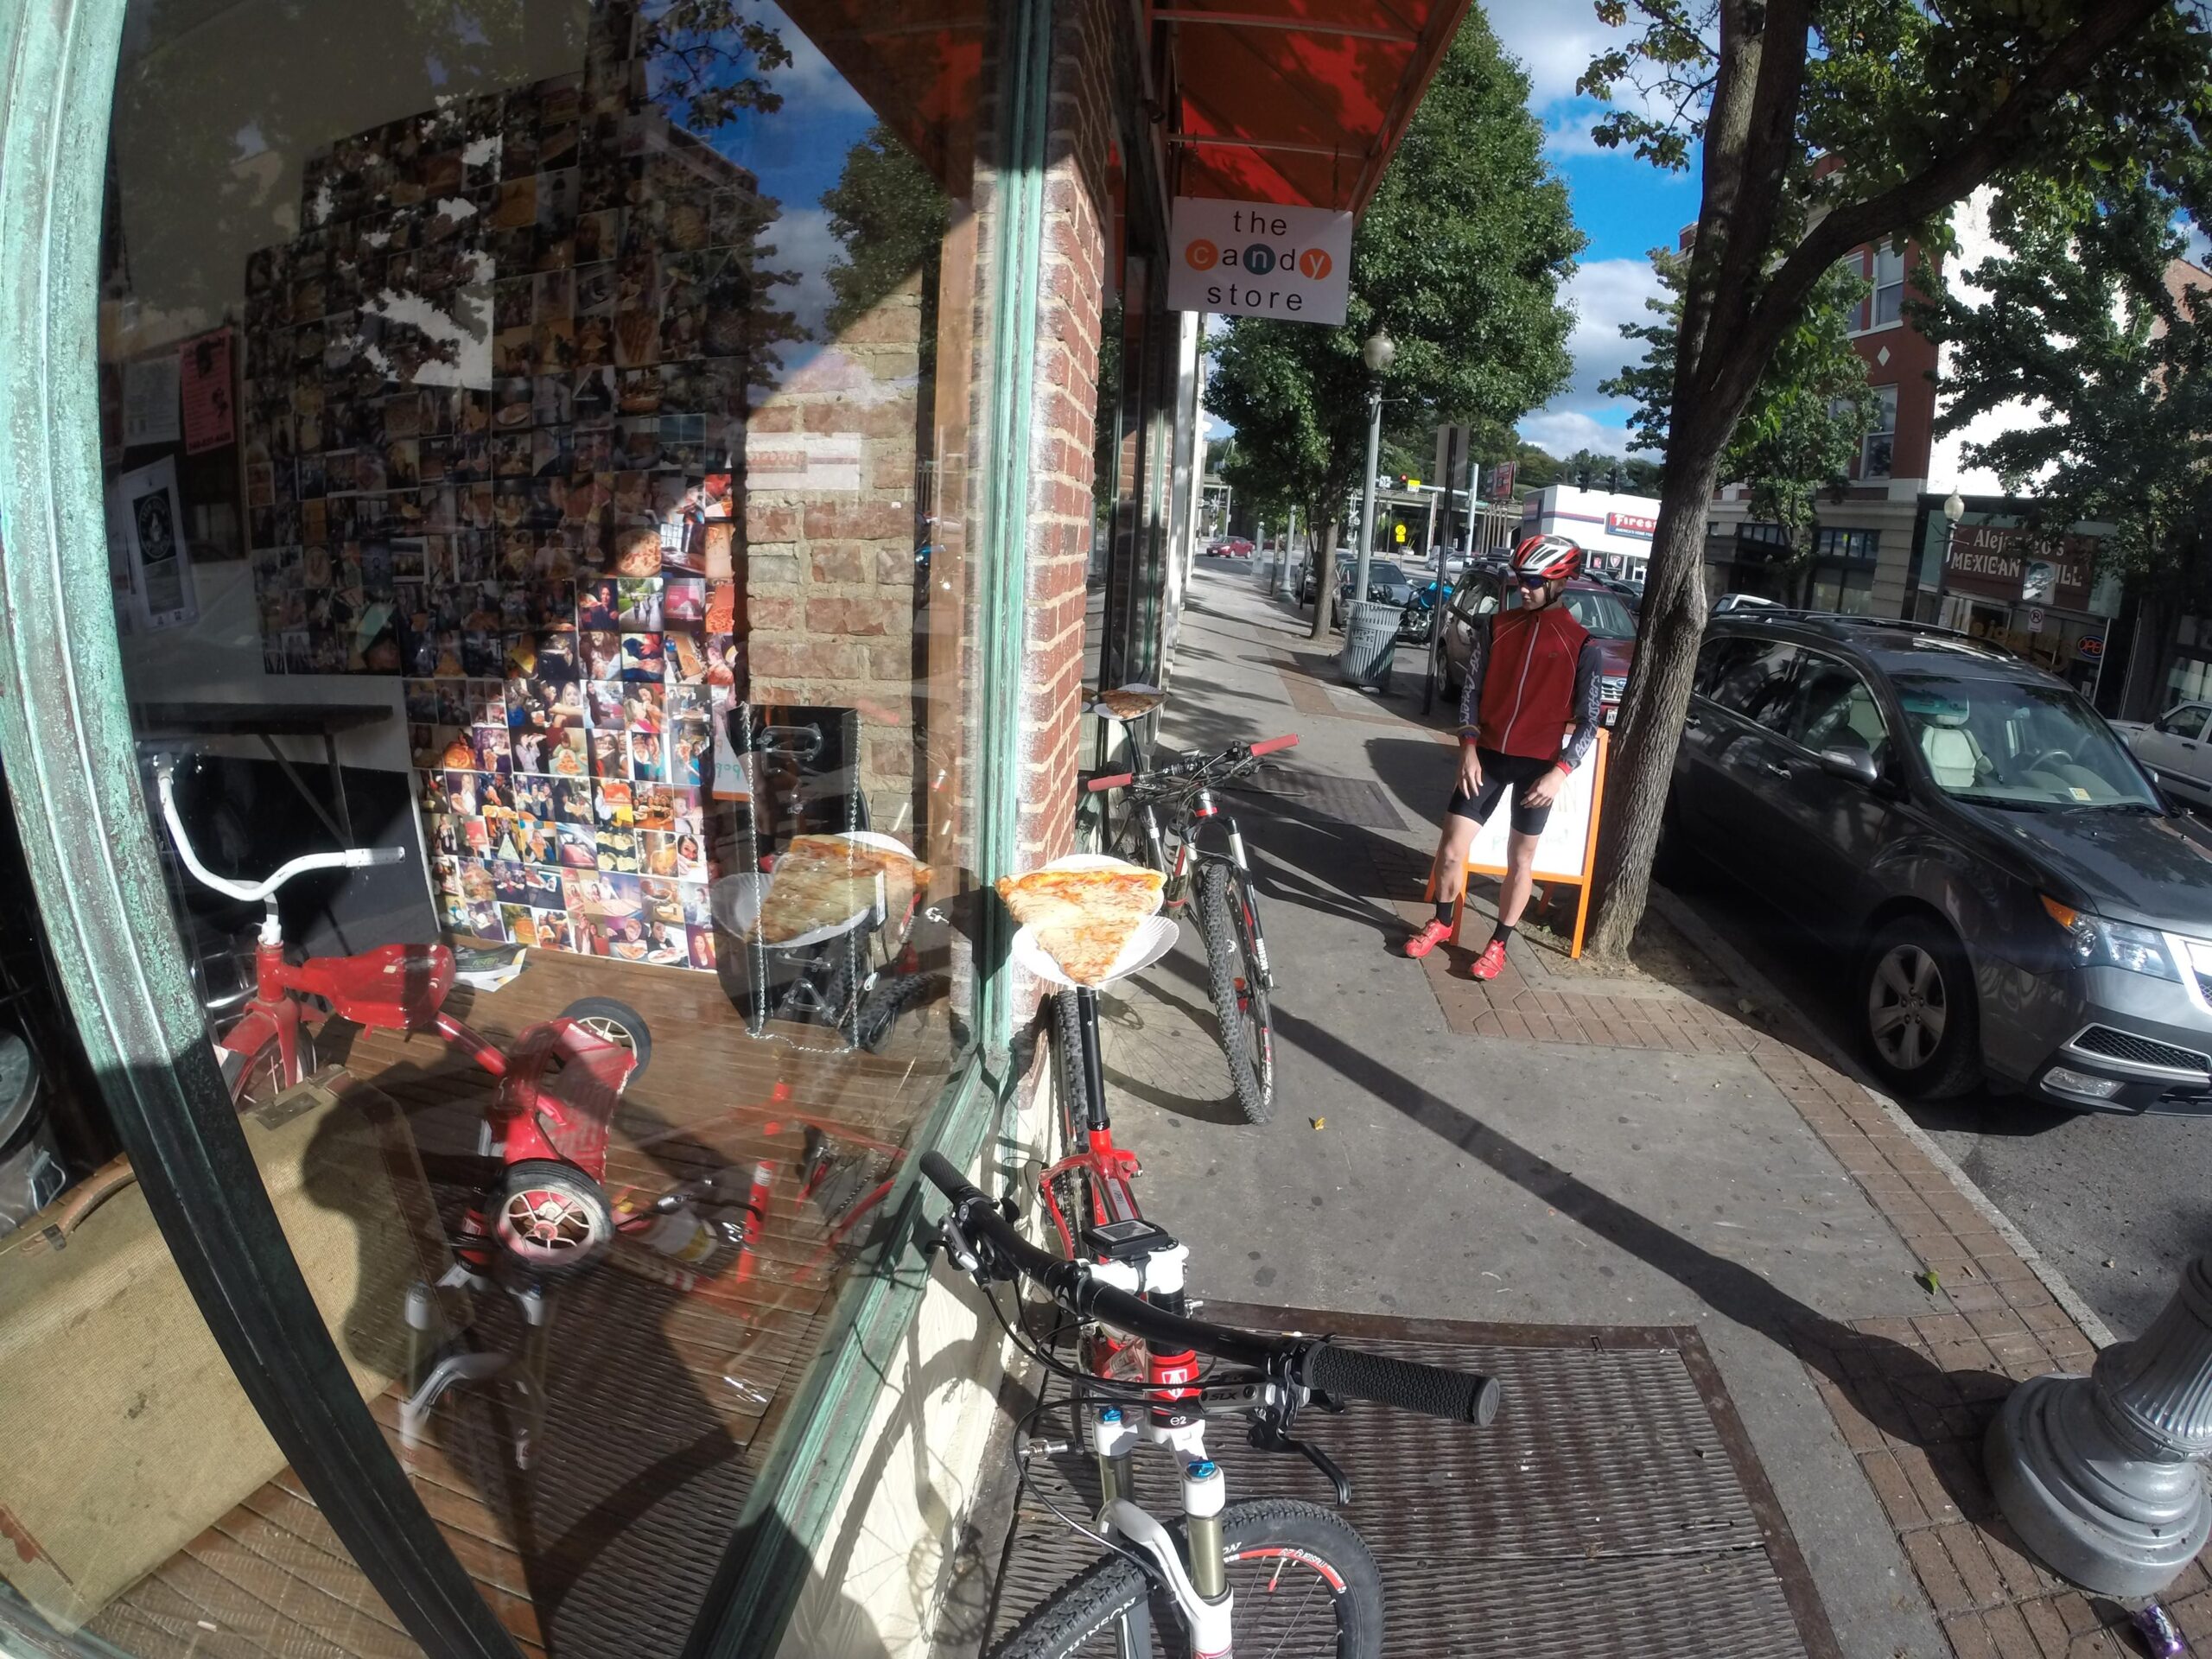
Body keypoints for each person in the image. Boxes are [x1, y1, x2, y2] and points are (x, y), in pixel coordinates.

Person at [1402, 533, 1604, 980]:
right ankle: (1442, 921)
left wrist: (1561, 771)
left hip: (1539, 767)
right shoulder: (1497, 626)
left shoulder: (1583, 645)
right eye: (1519, 579)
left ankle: (1498, 944)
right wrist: (1468, 748)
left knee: (1521, 861)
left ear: (1558, 582)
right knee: (1451, 850)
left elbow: (1590, 720)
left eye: (1533, 581)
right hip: (1488, 756)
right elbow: (1471, 692)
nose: (1523, 588)